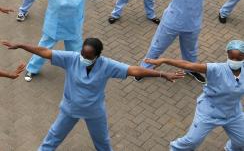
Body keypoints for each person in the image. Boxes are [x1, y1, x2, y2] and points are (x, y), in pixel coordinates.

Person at [2, 38, 185, 150]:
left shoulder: (107, 65)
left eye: (88, 55)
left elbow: (134, 70)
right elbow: (45, 51)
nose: (83, 56)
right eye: (83, 52)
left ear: (97, 55)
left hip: (94, 111)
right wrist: (21, 45)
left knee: (103, 143)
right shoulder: (72, 58)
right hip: (70, 109)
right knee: (53, 137)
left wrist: (162, 73)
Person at [0, 0, 134, 82]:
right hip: (54, 25)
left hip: (73, 25)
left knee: (76, 52)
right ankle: (32, 69)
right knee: (43, 48)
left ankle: (79, 72)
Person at [134, 0, 244, 84]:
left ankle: (191, 69)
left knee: (190, 51)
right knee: (157, 47)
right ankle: (144, 68)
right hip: (172, 22)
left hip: (192, 24)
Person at [145, 40, 244, 151]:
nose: (234, 61)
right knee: (192, 141)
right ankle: (175, 149)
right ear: (227, 55)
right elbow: (188, 65)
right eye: (232, 57)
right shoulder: (216, 69)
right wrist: (165, 60)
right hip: (209, 112)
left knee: (242, 141)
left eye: (239, 58)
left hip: (233, 113)